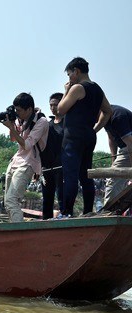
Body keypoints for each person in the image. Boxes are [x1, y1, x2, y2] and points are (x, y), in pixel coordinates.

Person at [57, 57, 112, 216]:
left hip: (73, 137)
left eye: (69, 75)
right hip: (88, 135)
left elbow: (61, 110)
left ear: (76, 71)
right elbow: (108, 111)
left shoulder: (78, 88)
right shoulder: (97, 88)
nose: (69, 79)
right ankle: (88, 211)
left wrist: (66, 90)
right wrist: (95, 129)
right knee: (86, 175)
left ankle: (67, 212)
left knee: (71, 175)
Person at [2, 93, 49, 222]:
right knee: (8, 201)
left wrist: (11, 127)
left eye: (19, 110)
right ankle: (14, 229)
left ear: (29, 109)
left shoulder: (41, 121)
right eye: (15, 110)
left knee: (12, 200)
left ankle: (18, 233)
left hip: (29, 162)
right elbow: (13, 139)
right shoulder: (20, 119)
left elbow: (27, 145)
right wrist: (12, 125)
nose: (16, 113)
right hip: (16, 160)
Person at [40, 93, 65, 219]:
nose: (53, 107)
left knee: (62, 196)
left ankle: (65, 219)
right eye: (51, 105)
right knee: (47, 198)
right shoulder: (47, 124)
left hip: (62, 166)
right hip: (47, 166)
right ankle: (45, 223)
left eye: (55, 105)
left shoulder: (68, 123)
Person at [103, 105, 132, 207]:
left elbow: (130, 143)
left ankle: (108, 210)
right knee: (119, 178)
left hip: (129, 147)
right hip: (125, 148)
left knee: (114, 177)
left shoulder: (117, 116)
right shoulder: (104, 116)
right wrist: (113, 160)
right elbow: (111, 138)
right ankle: (116, 209)